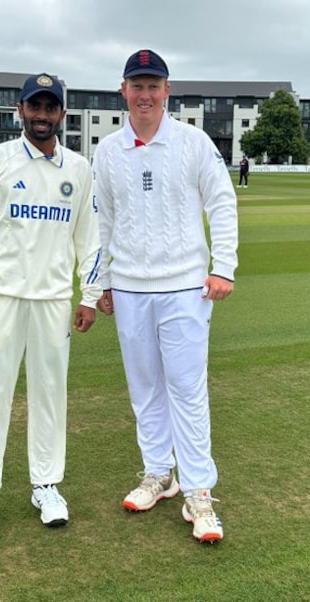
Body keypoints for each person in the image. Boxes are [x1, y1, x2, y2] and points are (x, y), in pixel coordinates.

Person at [92, 49, 238, 543]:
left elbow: (222, 202)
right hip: (131, 287)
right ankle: (160, 474)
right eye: (138, 85)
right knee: (145, 388)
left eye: (154, 85)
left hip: (184, 287)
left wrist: (224, 267)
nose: (146, 94)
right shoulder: (108, 150)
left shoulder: (194, 143)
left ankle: (199, 491)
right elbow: (103, 221)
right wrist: (103, 282)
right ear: (124, 91)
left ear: (167, 91)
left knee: (187, 389)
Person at [0, 72, 103, 538]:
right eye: (33, 107)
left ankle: (46, 486)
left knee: (50, 397)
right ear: (19, 111)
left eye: (50, 107)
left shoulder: (78, 169)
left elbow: (91, 239)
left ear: (61, 113)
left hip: (54, 300)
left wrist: (90, 295)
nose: (41, 115)